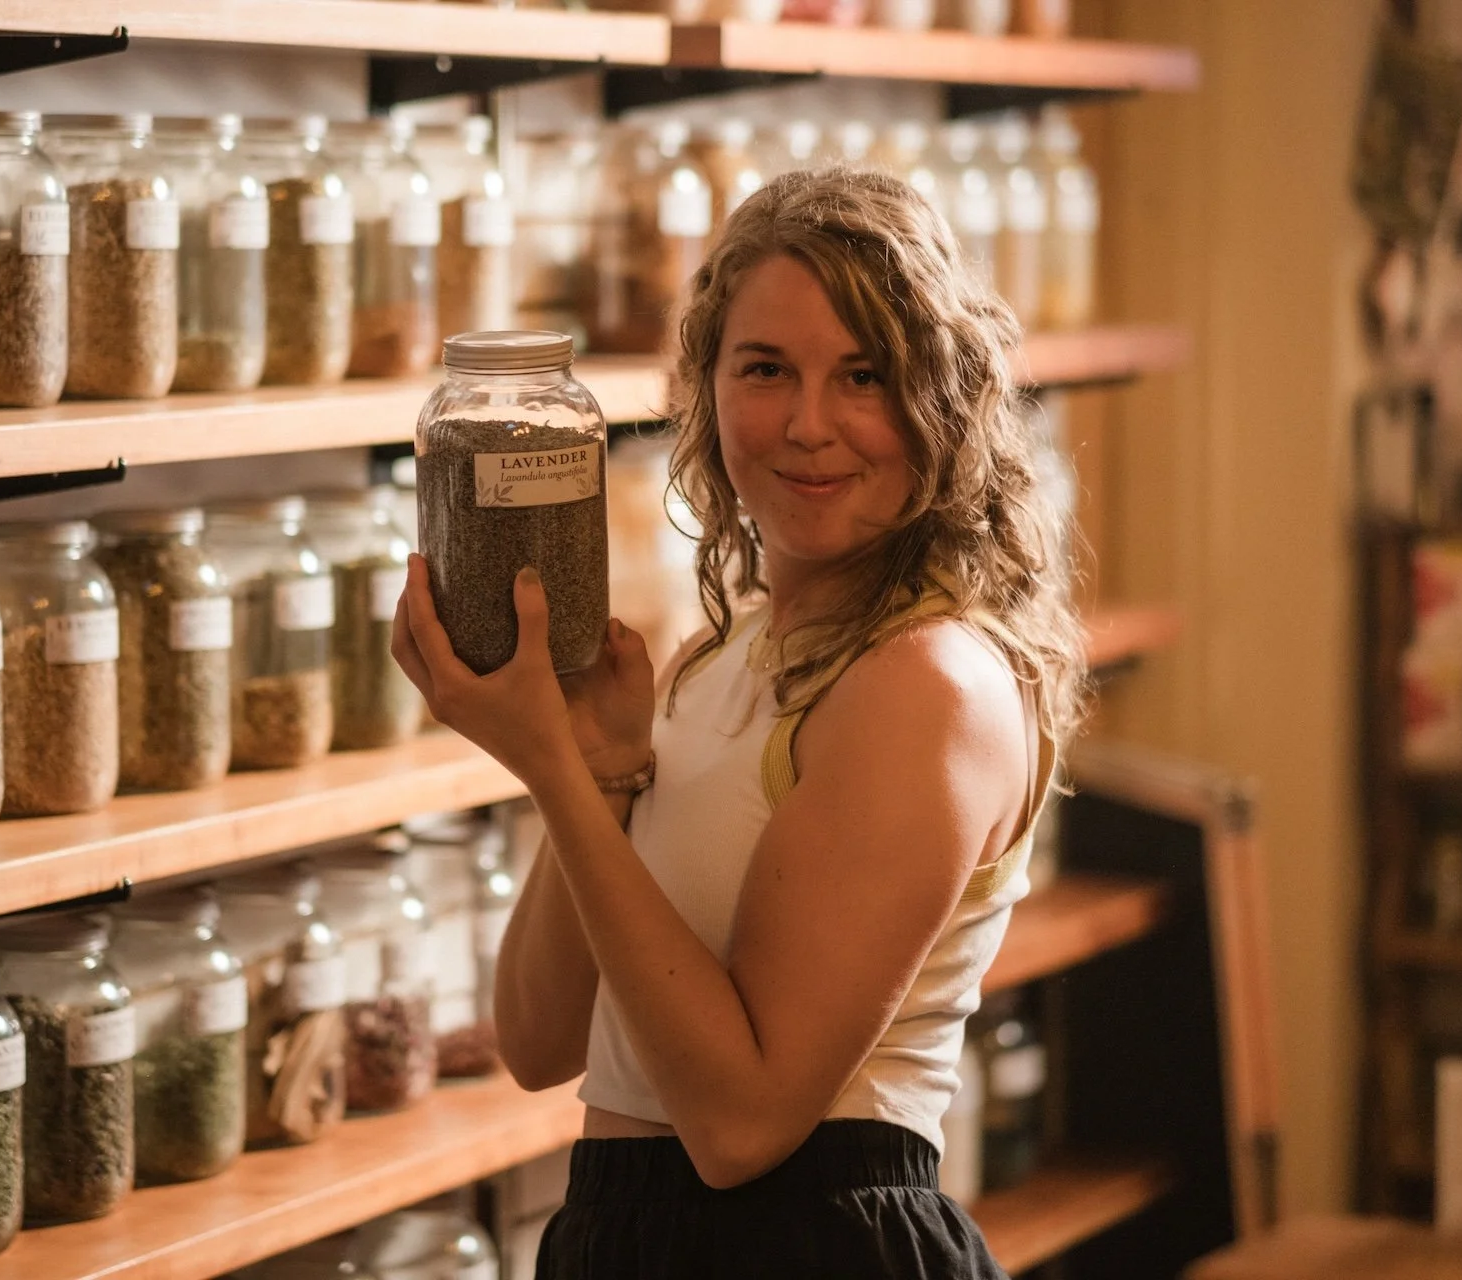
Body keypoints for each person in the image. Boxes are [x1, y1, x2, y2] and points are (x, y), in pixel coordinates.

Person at [391, 166, 1086, 1279]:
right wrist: (595, 776)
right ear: (706, 388)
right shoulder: (719, 655)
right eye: (765, 369)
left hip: (808, 1244)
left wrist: (554, 773)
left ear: (939, 401)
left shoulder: (927, 683)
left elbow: (743, 1125)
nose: (810, 425)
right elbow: (536, 1038)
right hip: (630, 1234)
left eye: (864, 376)